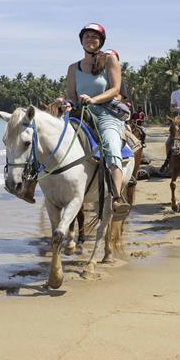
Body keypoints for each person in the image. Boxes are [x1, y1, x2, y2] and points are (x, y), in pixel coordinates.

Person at [64, 23, 132, 220]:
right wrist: (68, 104)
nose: (90, 40)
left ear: (101, 41)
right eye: (86, 36)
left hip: (105, 113)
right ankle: (32, 181)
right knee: (52, 141)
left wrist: (94, 99)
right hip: (80, 114)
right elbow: (71, 94)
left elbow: (115, 89)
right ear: (81, 40)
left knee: (111, 146)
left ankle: (117, 198)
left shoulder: (110, 60)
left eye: (94, 37)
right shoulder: (72, 68)